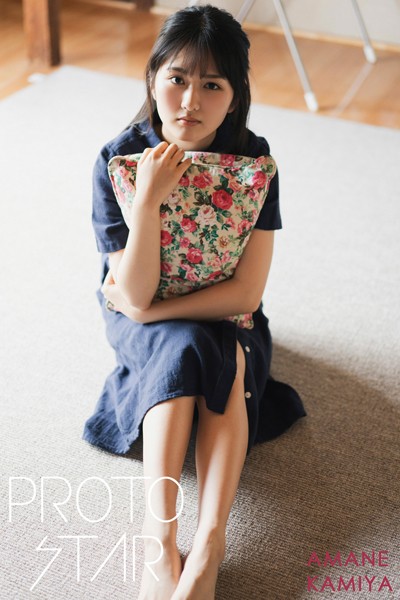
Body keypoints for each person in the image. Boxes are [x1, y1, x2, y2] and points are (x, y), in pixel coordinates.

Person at [83, 4, 306, 599]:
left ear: (235, 98)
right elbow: (133, 290)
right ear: (152, 78)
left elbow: (246, 293)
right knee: (185, 347)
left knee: (221, 347)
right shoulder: (119, 159)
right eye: (177, 78)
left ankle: (209, 545)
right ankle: (160, 544)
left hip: (222, 312)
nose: (189, 101)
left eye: (212, 85)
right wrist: (148, 200)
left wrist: (151, 311)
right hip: (142, 314)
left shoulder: (253, 164)